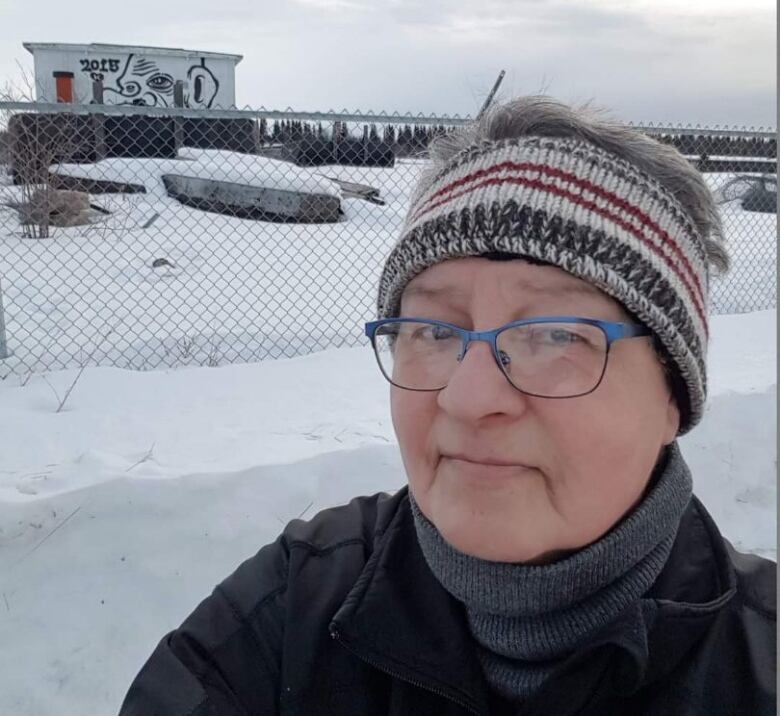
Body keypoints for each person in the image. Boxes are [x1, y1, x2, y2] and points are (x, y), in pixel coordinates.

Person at [119, 97, 776, 716]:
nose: (469, 397)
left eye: (555, 336)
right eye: (436, 331)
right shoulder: (292, 609)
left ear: (673, 397)